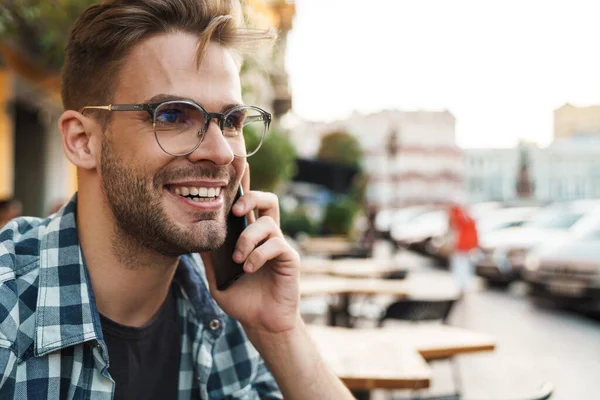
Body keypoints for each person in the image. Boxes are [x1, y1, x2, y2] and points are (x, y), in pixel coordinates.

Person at [0, 1, 353, 399]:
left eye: (232, 121)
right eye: (172, 115)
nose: (221, 153)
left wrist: (280, 332)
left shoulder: (229, 309)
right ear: (83, 141)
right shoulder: (9, 310)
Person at [448, 202, 479, 296]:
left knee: (464, 267)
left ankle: (464, 285)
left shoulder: (467, 219)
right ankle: (462, 286)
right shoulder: (461, 218)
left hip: (465, 247)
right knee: (461, 267)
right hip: (461, 247)